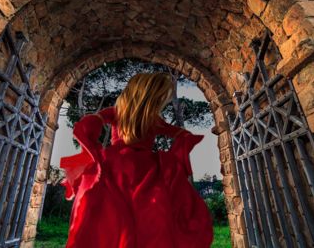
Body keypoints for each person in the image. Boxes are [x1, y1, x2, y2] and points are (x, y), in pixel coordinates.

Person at [59, 72, 214, 248]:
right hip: (147, 169)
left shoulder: (116, 112)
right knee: (150, 215)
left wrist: (95, 153)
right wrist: (173, 158)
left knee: (109, 216)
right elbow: (183, 136)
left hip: (114, 167)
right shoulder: (153, 119)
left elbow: (88, 124)